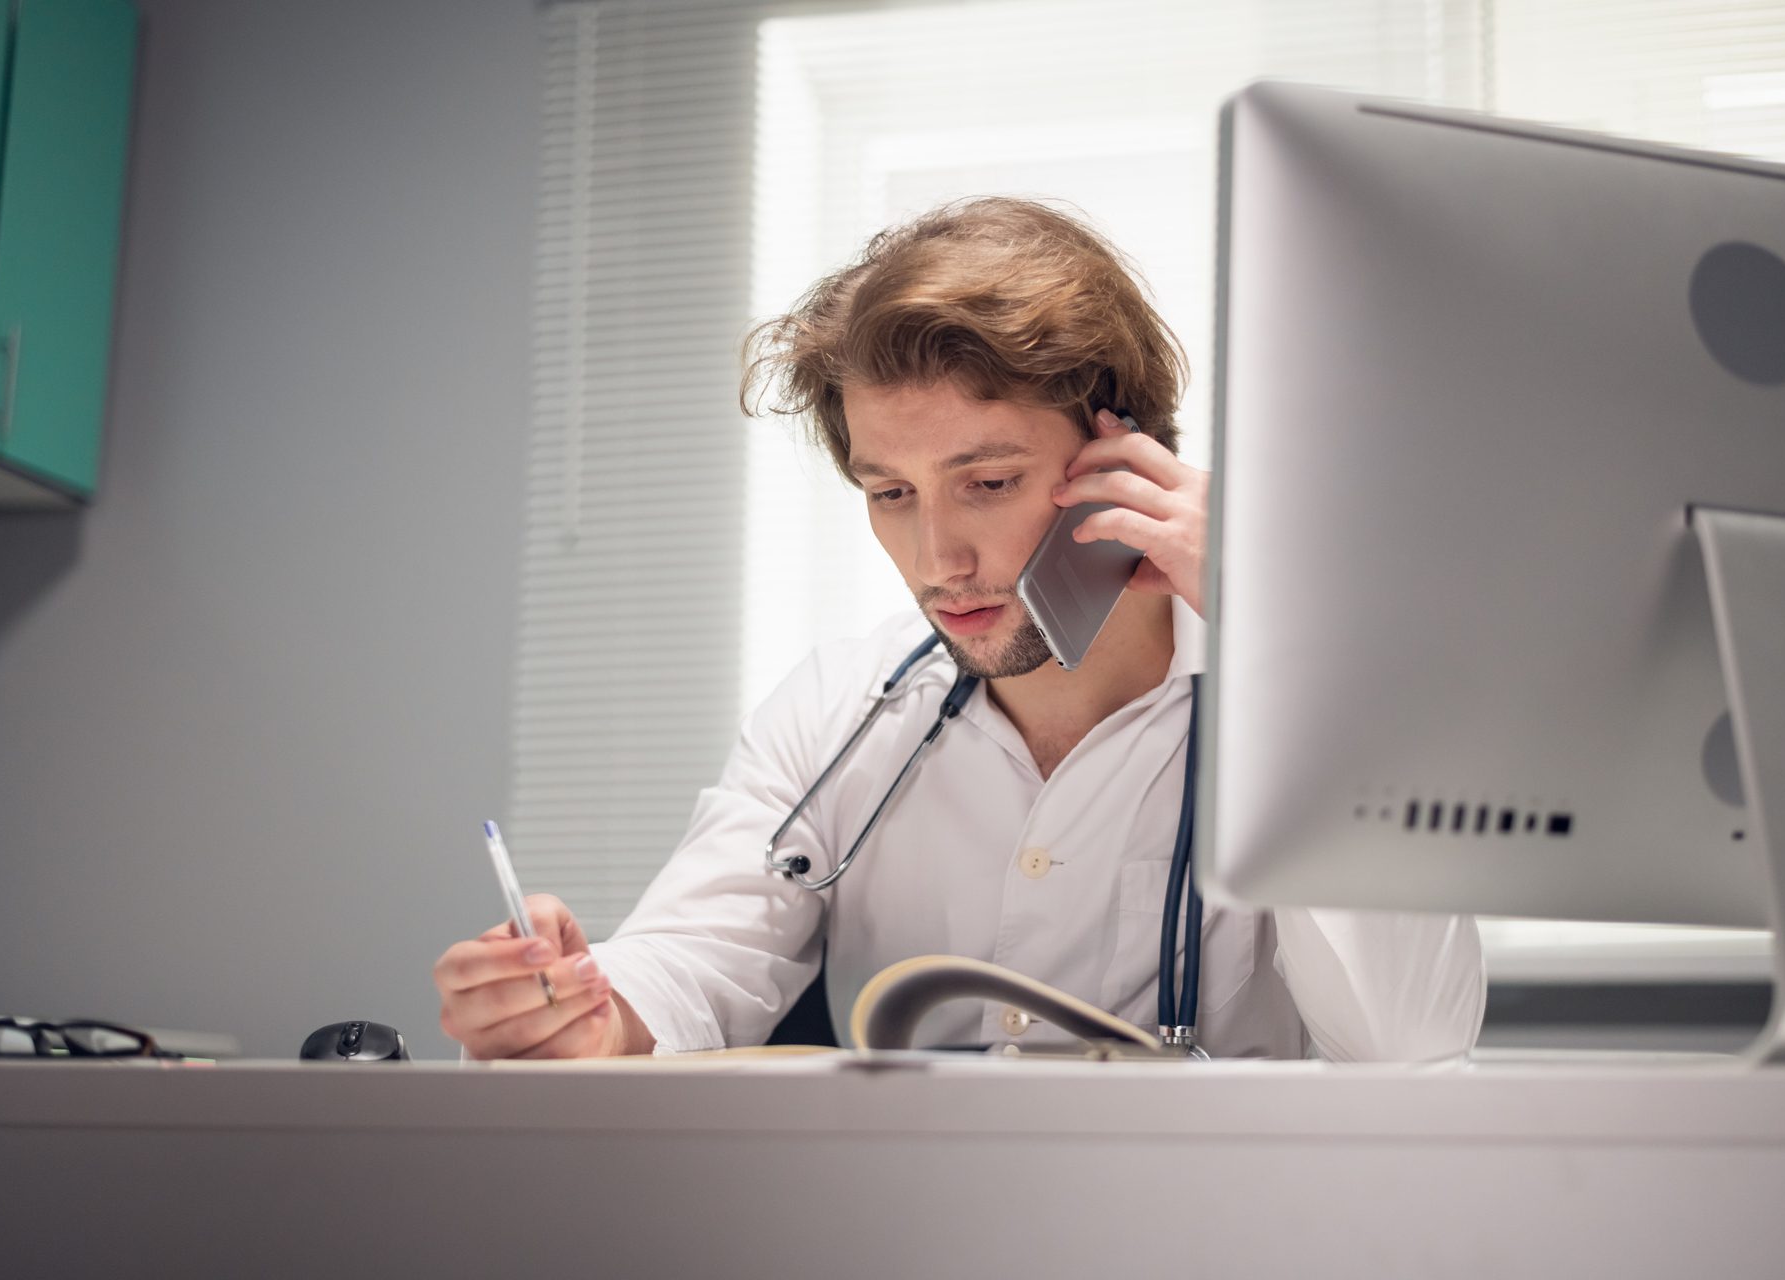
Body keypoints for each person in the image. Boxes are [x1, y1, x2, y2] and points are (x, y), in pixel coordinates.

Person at [434, 198, 1485, 1061]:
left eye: (985, 481)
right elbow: (694, 957)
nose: (938, 559)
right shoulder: (839, 707)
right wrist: (579, 1008)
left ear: (1128, 460)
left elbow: (1412, 1041)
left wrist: (1288, 649)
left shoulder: (1316, 700)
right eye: (890, 491)